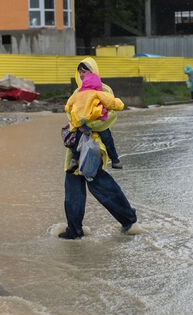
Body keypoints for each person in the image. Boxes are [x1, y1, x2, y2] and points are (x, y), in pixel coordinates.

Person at [58, 57, 137, 240]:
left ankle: (129, 221)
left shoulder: (104, 90)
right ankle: (74, 230)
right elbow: (71, 117)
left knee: (103, 188)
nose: (82, 74)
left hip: (93, 148)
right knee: (73, 192)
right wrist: (78, 125)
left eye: (85, 70)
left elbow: (108, 118)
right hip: (76, 150)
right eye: (80, 71)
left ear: (94, 71)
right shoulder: (77, 92)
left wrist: (85, 125)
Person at [64, 71, 124, 173]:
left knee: (77, 140)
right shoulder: (98, 93)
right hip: (94, 119)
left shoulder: (77, 94)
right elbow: (111, 102)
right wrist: (120, 105)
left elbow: (68, 106)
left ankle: (74, 159)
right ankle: (115, 160)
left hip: (79, 122)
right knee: (107, 139)